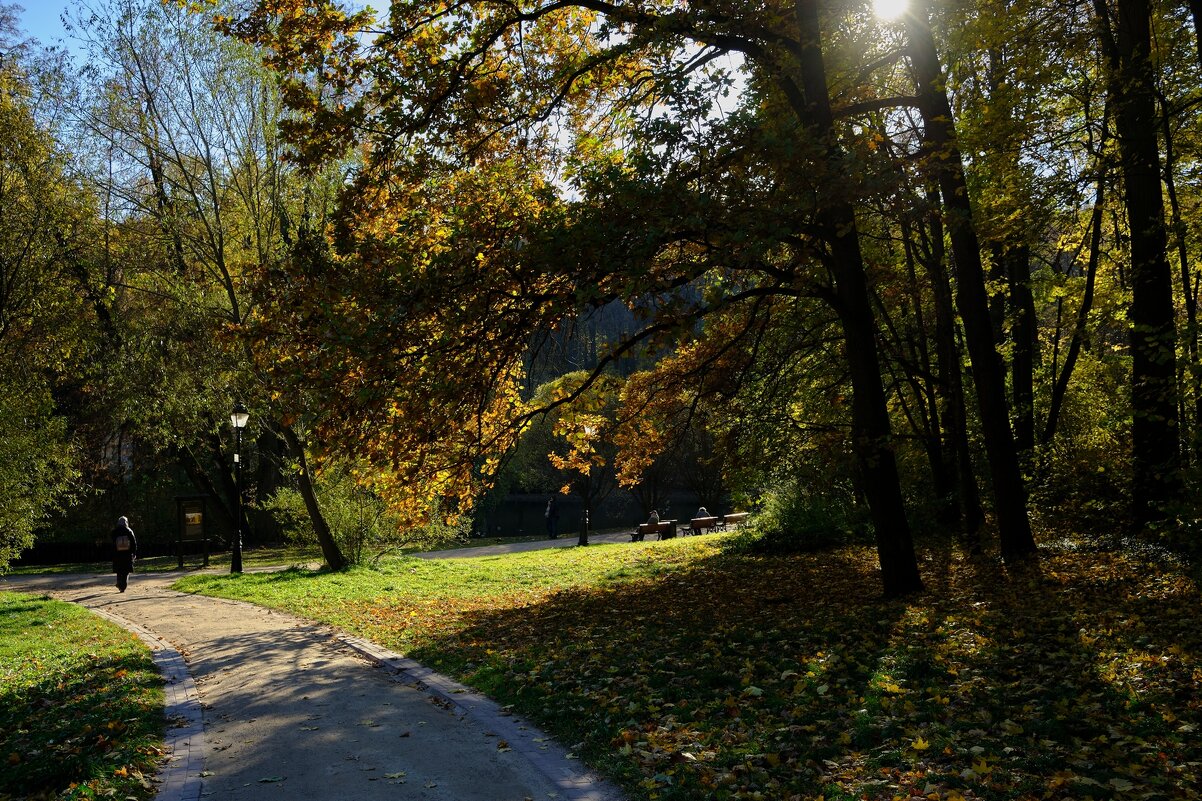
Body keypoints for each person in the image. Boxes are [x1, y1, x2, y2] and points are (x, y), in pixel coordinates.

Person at [111, 516, 138, 592]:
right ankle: (123, 586)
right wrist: (134, 553)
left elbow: (112, 543)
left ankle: (119, 583)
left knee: (119, 570)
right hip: (127, 554)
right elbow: (134, 543)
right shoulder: (129, 530)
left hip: (117, 554)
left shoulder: (115, 531)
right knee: (126, 571)